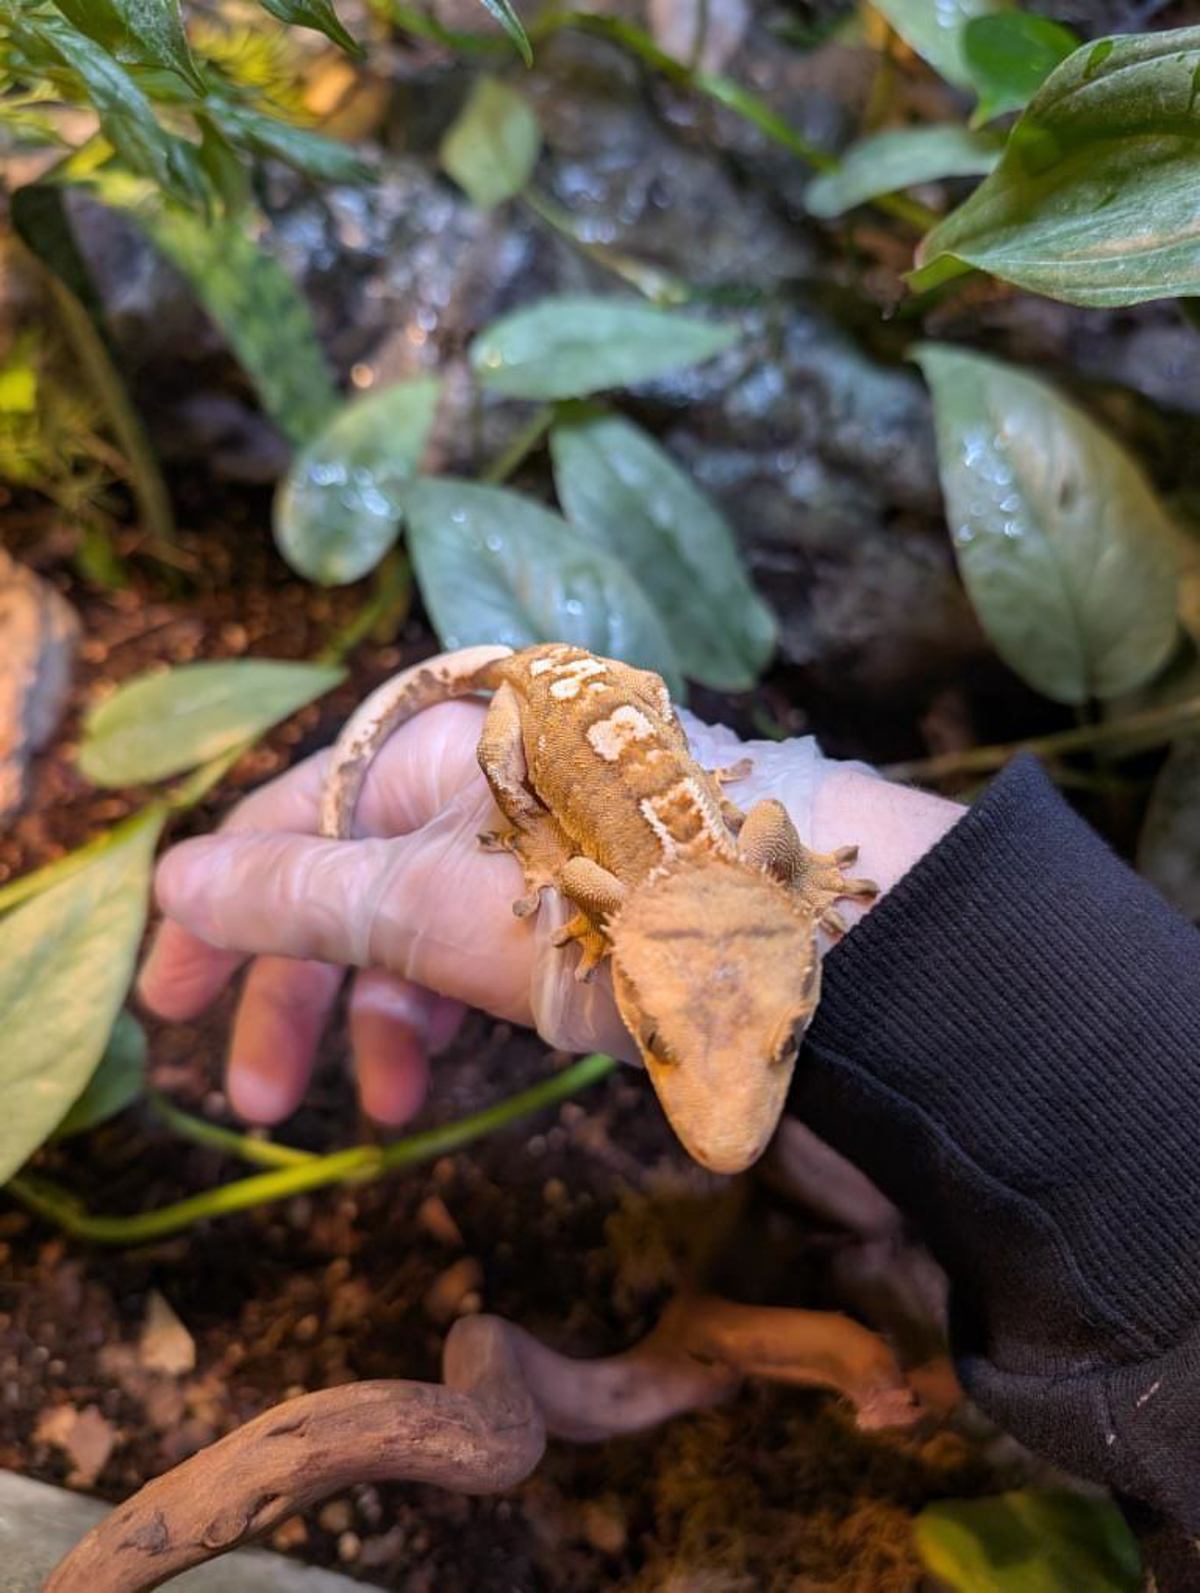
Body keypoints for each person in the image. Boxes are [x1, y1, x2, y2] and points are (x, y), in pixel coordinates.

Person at [138, 694, 1200, 1583]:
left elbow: (770, 853)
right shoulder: (675, 875)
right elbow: (690, 857)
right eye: (660, 1043)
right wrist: (546, 844)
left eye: (784, 1042)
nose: (722, 1121)